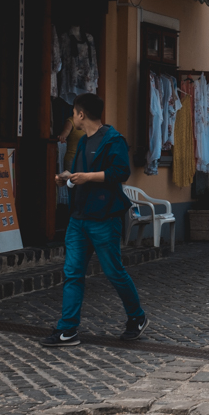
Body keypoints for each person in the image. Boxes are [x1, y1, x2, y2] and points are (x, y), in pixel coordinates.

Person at [44, 93, 146, 347]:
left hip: (104, 218)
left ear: (80, 115)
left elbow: (120, 172)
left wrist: (87, 177)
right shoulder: (83, 141)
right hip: (79, 219)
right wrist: (67, 178)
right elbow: (81, 174)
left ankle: (137, 317)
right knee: (72, 274)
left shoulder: (113, 140)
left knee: (114, 272)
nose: (73, 118)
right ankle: (67, 330)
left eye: (75, 113)